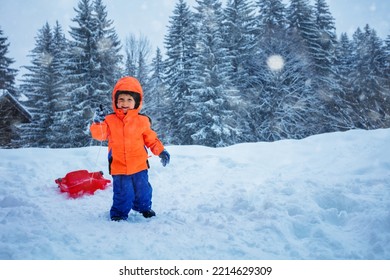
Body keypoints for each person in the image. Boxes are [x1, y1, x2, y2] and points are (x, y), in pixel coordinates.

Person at [90, 76, 170, 221]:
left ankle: (144, 208)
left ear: (137, 102)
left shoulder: (142, 121)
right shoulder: (109, 120)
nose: (125, 103)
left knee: (143, 190)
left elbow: (151, 139)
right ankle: (119, 214)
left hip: (139, 165)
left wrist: (161, 151)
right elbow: (100, 135)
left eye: (129, 100)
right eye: (121, 99)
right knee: (123, 193)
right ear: (116, 101)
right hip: (119, 166)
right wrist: (97, 123)